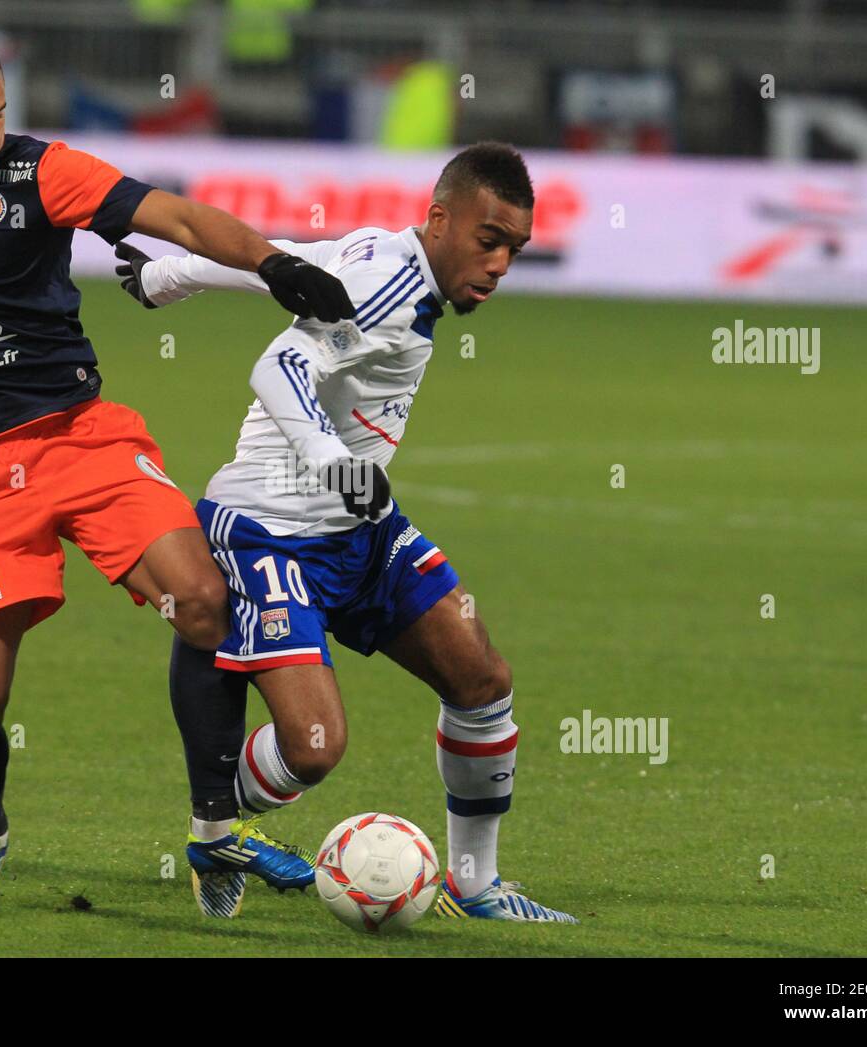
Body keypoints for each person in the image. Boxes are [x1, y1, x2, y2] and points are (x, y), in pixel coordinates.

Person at [0, 25, 351, 904]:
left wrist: (277, 262)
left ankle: (215, 831)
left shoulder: (41, 172)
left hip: (80, 438)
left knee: (203, 600)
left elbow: (182, 217)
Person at [116, 142, 578, 923]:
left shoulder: (384, 257)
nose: (500, 263)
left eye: (515, 249)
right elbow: (278, 369)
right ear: (439, 220)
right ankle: (216, 813)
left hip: (358, 528)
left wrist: (173, 276)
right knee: (315, 748)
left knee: (481, 681)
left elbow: (291, 260)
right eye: (488, 239)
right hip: (268, 526)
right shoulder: (390, 284)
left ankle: (475, 883)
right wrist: (334, 461)